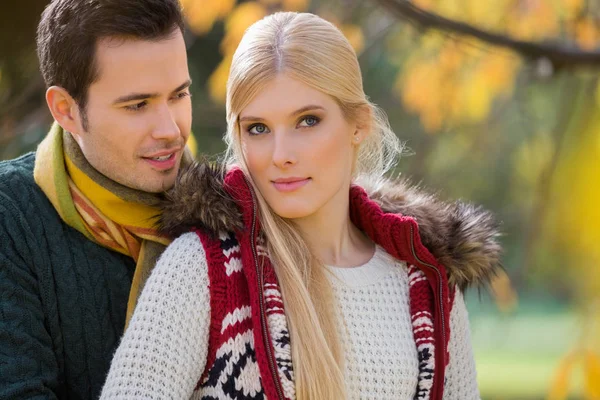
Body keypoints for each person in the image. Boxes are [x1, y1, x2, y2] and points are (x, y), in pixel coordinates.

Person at [100, 12, 501, 400]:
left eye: (307, 121)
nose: (281, 154)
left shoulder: (426, 276)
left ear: (358, 124)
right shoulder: (203, 270)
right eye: (257, 129)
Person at [0, 0, 205, 398]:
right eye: (138, 105)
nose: (170, 129)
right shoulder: (12, 216)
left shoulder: (229, 212)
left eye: (178, 95)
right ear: (67, 110)